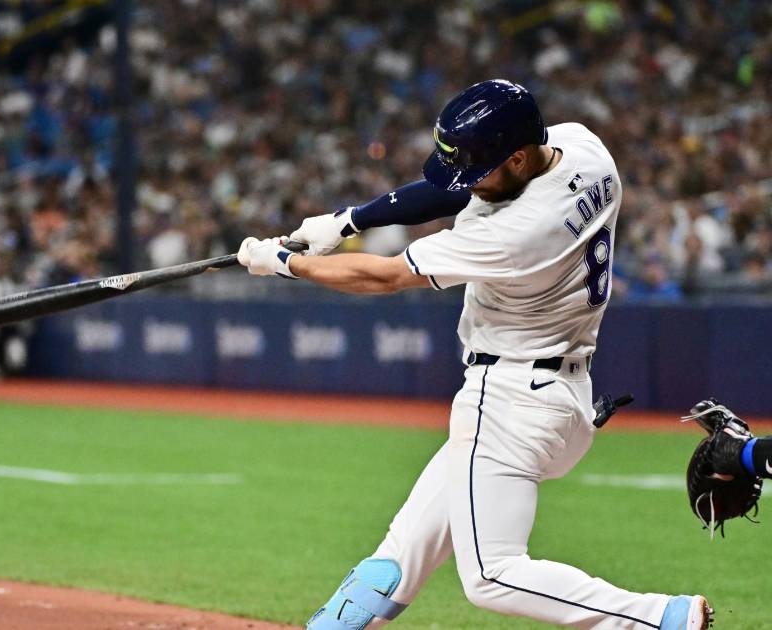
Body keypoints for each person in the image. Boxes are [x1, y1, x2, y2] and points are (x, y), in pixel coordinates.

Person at [236, 80, 710, 629]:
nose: (469, 180)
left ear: (517, 157)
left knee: (491, 573)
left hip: (509, 401)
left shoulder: (519, 234)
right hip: (559, 398)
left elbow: (384, 276)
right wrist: (349, 221)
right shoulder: (584, 150)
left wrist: (285, 264)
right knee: (397, 560)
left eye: (479, 167)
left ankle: (661, 619)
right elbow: (457, 190)